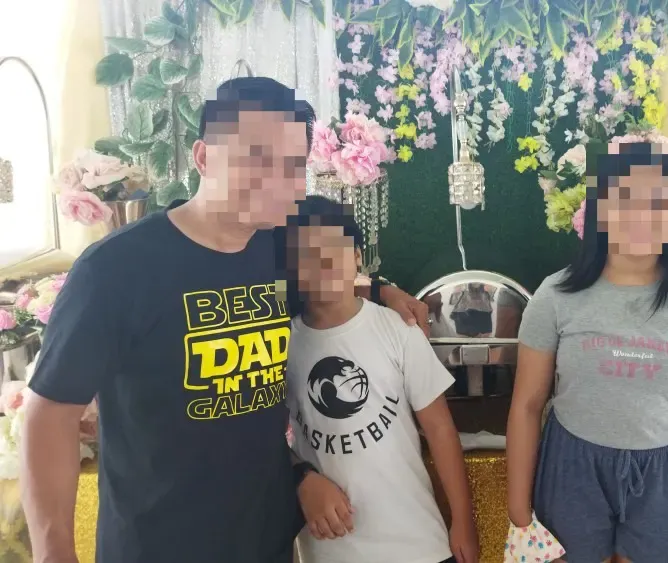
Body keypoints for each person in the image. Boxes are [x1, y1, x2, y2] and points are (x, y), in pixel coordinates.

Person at [21, 77, 428, 563]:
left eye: (292, 164)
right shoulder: (117, 269)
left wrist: (384, 290)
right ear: (204, 157)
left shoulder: (279, 251)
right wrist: (53, 553)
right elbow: (51, 412)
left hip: (265, 540)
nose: (278, 180)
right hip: (158, 544)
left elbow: (330, 278)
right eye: (256, 158)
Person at [506, 138, 668, 563]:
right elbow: (527, 405)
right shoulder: (555, 296)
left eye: (658, 202)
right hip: (572, 467)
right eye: (626, 199)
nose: (642, 215)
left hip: (666, 474)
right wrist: (519, 514)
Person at [277, 196, 479, 563]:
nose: (323, 263)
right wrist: (302, 478)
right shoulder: (282, 343)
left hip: (416, 542)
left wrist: (463, 521)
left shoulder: (397, 328)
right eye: (307, 255)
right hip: (329, 548)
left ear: (356, 255)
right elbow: (267, 437)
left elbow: (439, 428)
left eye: (333, 247)